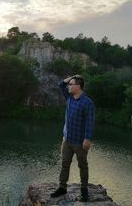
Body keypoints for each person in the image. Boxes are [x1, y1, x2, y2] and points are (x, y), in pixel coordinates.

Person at [50, 74, 95, 202]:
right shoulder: (69, 97)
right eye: (69, 84)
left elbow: (90, 122)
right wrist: (71, 77)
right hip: (67, 139)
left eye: (71, 84)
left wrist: (88, 138)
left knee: (82, 165)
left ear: (78, 86)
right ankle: (62, 187)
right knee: (65, 163)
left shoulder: (88, 103)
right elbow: (60, 84)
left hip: (80, 141)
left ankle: (84, 191)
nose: (69, 86)